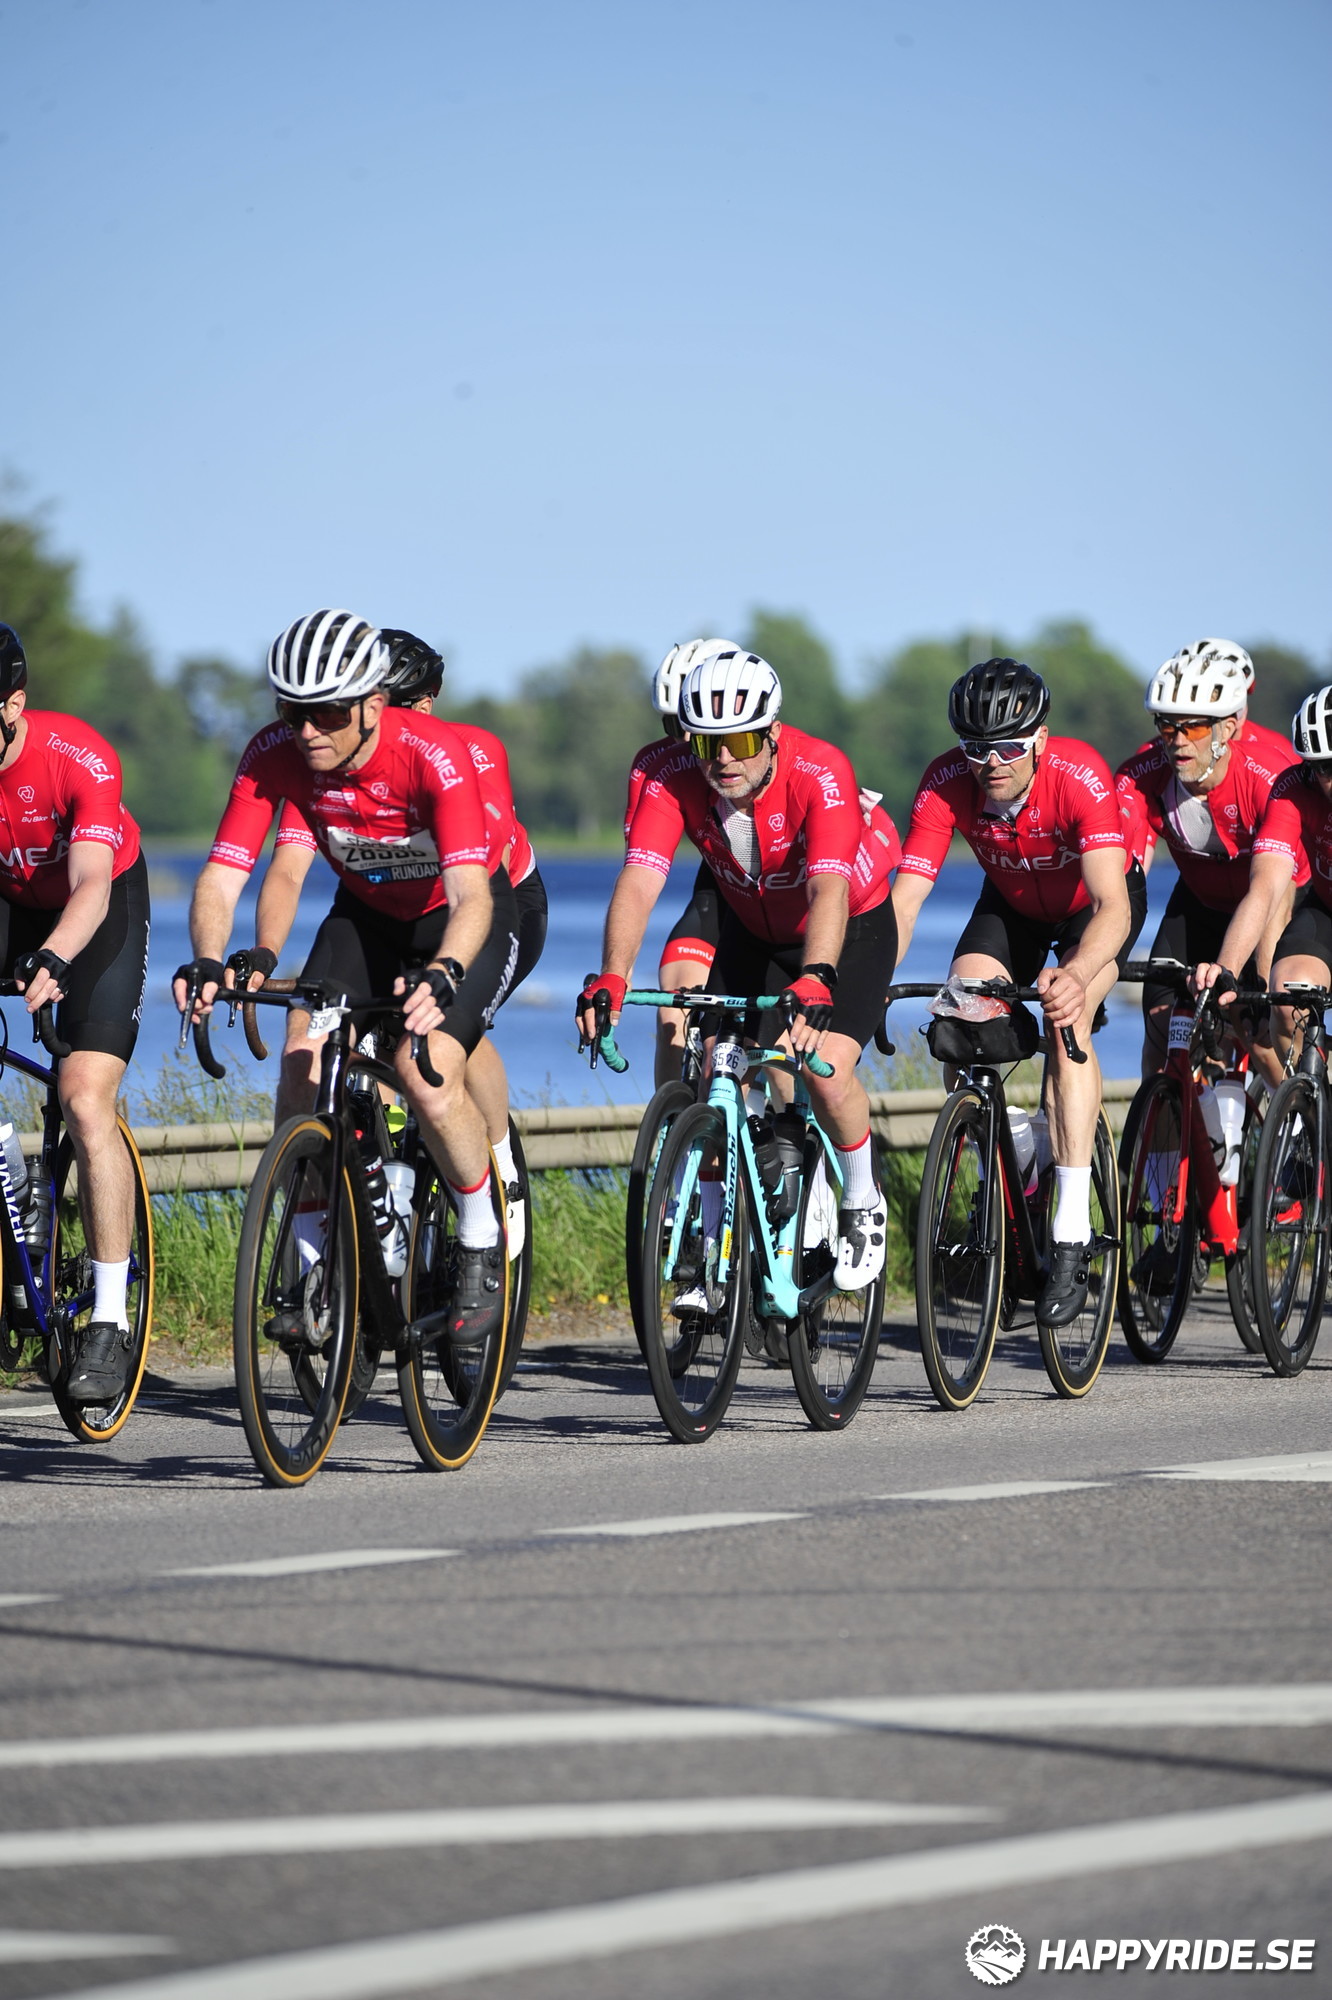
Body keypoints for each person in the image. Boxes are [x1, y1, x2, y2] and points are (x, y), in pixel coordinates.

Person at [174, 609, 516, 1344]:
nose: (306, 731)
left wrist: (445, 971)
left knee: (424, 1072)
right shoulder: (275, 754)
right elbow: (224, 874)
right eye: (291, 711)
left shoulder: (434, 754)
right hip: (366, 915)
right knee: (302, 1063)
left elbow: (472, 897)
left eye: (326, 713)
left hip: (458, 917)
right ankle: (309, 1270)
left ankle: (481, 1237)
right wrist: (209, 956)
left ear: (372, 705)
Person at [577, 646, 902, 1290]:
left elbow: (828, 889)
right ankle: (714, 1243)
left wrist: (817, 977)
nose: (723, 758)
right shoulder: (669, 771)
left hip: (848, 929)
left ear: (773, 732)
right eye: (706, 743)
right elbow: (640, 880)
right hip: (752, 930)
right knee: (714, 1067)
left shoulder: (820, 769)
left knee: (826, 1073)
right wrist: (612, 974)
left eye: (743, 741)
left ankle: (862, 1197)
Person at [252, 627, 544, 1257]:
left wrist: (443, 967)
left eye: (409, 706)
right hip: (383, 904)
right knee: (334, 1040)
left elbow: (481, 865)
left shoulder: (465, 751)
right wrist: (264, 952)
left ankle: (498, 1166)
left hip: (489, 899)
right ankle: (366, 1198)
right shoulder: (325, 765)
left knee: (447, 1040)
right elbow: (289, 866)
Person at [890, 657, 1139, 1326]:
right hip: (1012, 905)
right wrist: (865, 980)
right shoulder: (946, 782)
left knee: (1067, 1022)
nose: (991, 762)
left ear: (1040, 738)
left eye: (1007, 746)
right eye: (976, 748)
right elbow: (906, 900)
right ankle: (1015, 1154)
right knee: (958, 1019)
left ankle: (1070, 1232)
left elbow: (1114, 905)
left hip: (1093, 910)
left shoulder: (1079, 775)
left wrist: (1077, 975)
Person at [0, 623, 150, 1401]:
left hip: (97, 906)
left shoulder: (77, 756)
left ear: (13, 704)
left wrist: (55, 956)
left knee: (85, 1099)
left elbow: (90, 881)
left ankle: (109, 1319)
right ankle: (15, 1187)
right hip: (12, 901)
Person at [1117, 647, 1301, 1082]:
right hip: (1200, 901)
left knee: (1259, 1033)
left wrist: (1231, 969)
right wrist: (1094, 963)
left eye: (1194, 727)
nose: (1178, 740)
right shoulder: (1141, 776)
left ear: (1229, 727)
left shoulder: (1269, 776)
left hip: (1275, 898)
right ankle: (1170, 1120)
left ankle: (1298, 1114)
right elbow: (1123, 878)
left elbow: (1269, 890)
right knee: (1160, 1032)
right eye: (1167, 725)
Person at [1192, 686, 1332, 1064]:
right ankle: (1308, 1095)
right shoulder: (1293, 790)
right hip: (1326, 909)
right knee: (1285, 1003)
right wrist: (1227, 968)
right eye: (1324, 768)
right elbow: (1266, 887)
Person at [624, 639, 737, 1086]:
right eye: (675, 724)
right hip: (721, 887)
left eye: (697, 724)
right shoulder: (657, 766)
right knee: (673, 1008)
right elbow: (639, 880)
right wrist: (618, 972)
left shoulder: (760, 756)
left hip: (789, 896)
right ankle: (670, 1124)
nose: (687, 742)